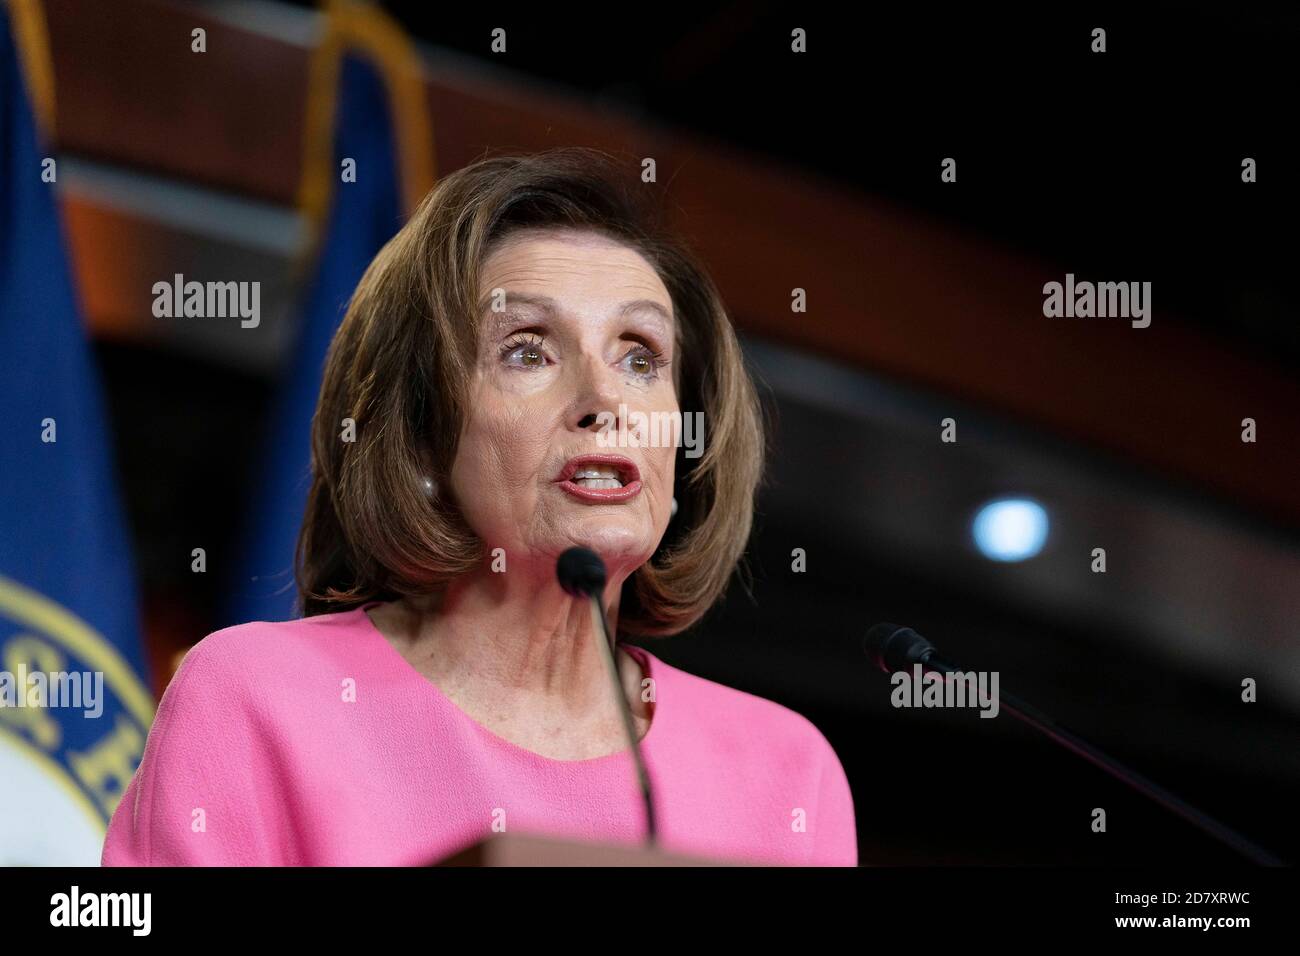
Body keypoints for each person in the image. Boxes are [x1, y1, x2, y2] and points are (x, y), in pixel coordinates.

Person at [101, 147, 857, 866]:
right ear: (424, 432)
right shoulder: (256, 698)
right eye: (527, 349)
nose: (604, 400)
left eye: (640, 356)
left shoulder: (788, 772)